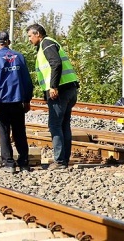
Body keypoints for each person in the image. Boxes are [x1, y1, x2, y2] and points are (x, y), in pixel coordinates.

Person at [27, 23, 79, 170]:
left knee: (55, 125)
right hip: (69, 89)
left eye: (30, 36)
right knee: (64, 125)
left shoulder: (46, 43)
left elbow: (56, 63)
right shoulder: (50, 43)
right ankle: (64, 159)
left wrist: (53, 86)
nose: (29, 39)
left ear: (38, 34)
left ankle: (60, 161)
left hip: (60, 91)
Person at [0, 31, 34, 173]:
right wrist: (27, 99)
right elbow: (26, 80)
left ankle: (9, 164)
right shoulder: (19, 57)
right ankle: (24, 162)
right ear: (9, 42)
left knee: (4, 133)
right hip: (18, 100)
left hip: (1, 101)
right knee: (20, 131)